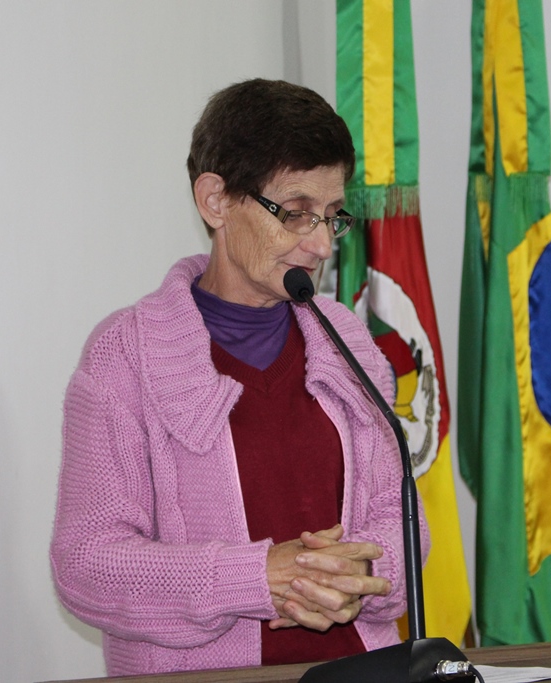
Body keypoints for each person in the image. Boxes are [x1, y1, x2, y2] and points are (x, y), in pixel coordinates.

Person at [50, 78, 428, 676]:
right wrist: (255, 578)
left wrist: (362, 573)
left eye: (333, 217)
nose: (321, 245)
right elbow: (87, 566)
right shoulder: (125, 356)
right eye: (296, 213)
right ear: (215, 201)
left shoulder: (347, 340)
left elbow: (401, 517)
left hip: (362, 668)